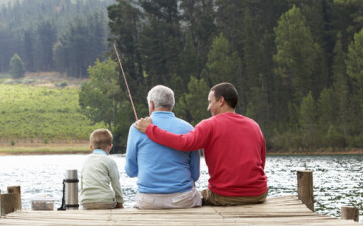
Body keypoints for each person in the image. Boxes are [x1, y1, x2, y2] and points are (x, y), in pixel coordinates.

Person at [134, 82, 267, 206]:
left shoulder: (209, 125)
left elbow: (183, 142)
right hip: (259, 194)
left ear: (221, 101)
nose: (208, 107)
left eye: (210, 102)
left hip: (225, 196)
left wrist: (150, 129)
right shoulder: (253, 125)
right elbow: (261, 162)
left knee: (197, 196)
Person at [125, 85, 202, 209]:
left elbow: (130, 171)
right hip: (183, 200)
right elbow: (195, 175)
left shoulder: (137, 128)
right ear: (172, 104)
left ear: (151, 104)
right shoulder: (188, 128)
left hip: (148, 201)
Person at [80, 128, 124, 210]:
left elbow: (82, 184)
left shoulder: (85, 161)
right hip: (105, 201)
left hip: (86, 202)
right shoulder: (109, 161)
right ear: (110, 147)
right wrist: (120, 202)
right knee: (112, 200)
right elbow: (116, 183)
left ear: (91, 148)